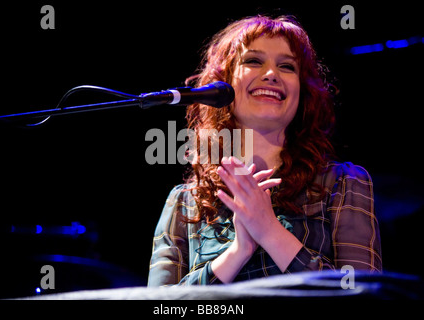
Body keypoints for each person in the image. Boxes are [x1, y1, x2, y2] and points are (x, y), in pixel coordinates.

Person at [147, 15, 382, 286]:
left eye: (287, 66)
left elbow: (362, 293)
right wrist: (237, 252)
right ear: (222, 85)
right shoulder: (185, 202)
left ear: (303, 93)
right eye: (254, 61)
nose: (271, 74)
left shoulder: (343, 183)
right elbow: (162, 305)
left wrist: (269, 231)